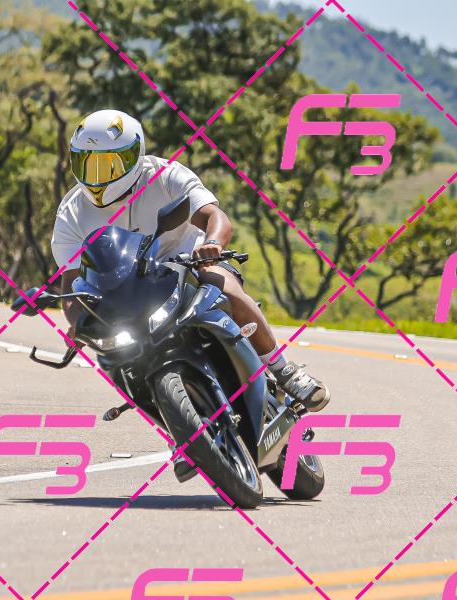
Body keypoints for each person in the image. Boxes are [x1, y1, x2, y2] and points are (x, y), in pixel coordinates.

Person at [50, 109, 330, 412]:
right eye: (86, 164)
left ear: (134, 157)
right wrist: (78, 322)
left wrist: (212, 244)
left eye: (108, 165)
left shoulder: (166, 175)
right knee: (116, 353)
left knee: (226, 289)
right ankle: (169, 415)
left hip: (190, 266)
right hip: (128, 291)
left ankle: (283, 370)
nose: (96, 177)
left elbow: (214, 216)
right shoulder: (71, 211)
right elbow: (72, 281)